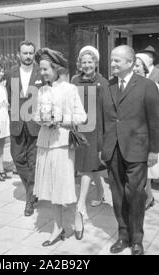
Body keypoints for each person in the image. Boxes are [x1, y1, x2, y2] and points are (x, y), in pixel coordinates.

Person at [99, 45, 159, 255]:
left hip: (137, 149)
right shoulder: (106, 86)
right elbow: (103, 120)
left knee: (135, 195)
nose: (113, 64)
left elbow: (155, 120)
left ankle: (137, 240)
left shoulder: (147, 86)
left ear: (129, 62)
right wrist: (102, 148)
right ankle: (123, 236)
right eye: (112, 60)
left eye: (117, 60)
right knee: (117, 195)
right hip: (113, 150)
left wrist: (154, 150)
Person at [33, 48, 87, 247]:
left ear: (55, 68)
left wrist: (61, 119)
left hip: (62, 144)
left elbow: (82, 117)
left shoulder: (69, 89)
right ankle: (58, 227)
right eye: (41, 69)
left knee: (64, 187)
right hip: (45, 143)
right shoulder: (42, 90)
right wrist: (41, 119)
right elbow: (37, 114)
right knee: (51, 189)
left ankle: (78, 216)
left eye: (46, 69)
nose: (43, 73)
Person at [71, 46, 107, 240]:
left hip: (96, 130)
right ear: (80, 64)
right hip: (79, 129)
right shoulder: (74, 81)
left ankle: (80, 206)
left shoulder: (103, 82)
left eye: (90, 62)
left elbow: (105, 110)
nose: (87, 65)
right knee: (88, 165)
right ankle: (100, 192)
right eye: (83, 62)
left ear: (96, 63)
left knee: (86, 167)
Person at [5, 41, 43, 216]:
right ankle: (33, 187)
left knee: (33, 162)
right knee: (18, 158)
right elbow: (11, 98)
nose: (28, 56)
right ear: (18, 54)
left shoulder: (41, 72)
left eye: (30, 53)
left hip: (36, 125)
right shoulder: (11, 73)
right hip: (17, 124)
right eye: (25, 53)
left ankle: (29, 200)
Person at [134, 54, 159, 210]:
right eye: (133, 64)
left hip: (147, 133)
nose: (135, 68)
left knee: (147, 169)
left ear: (145, 68)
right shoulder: (127, 85)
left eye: (138, 65)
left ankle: (148, 196)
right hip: (133, 134)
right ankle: (146, 195)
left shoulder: (153, 86)